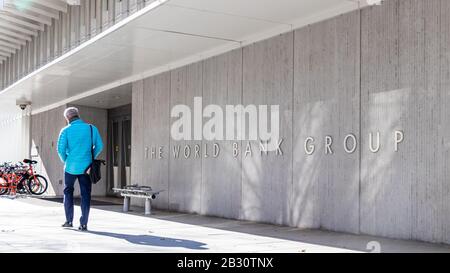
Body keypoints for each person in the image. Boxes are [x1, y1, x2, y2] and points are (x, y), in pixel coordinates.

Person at [57, 107, 103, 231]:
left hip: (70, 168)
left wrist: (66, 160)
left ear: (67, 118)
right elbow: (99, 146)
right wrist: (91, 156)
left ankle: (68, 221)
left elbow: (60, 150)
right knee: (86, 195)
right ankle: (83, 224)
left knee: (68, 193)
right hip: (86, 168)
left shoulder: (65, 130)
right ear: (78, 115)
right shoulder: (91, 128)